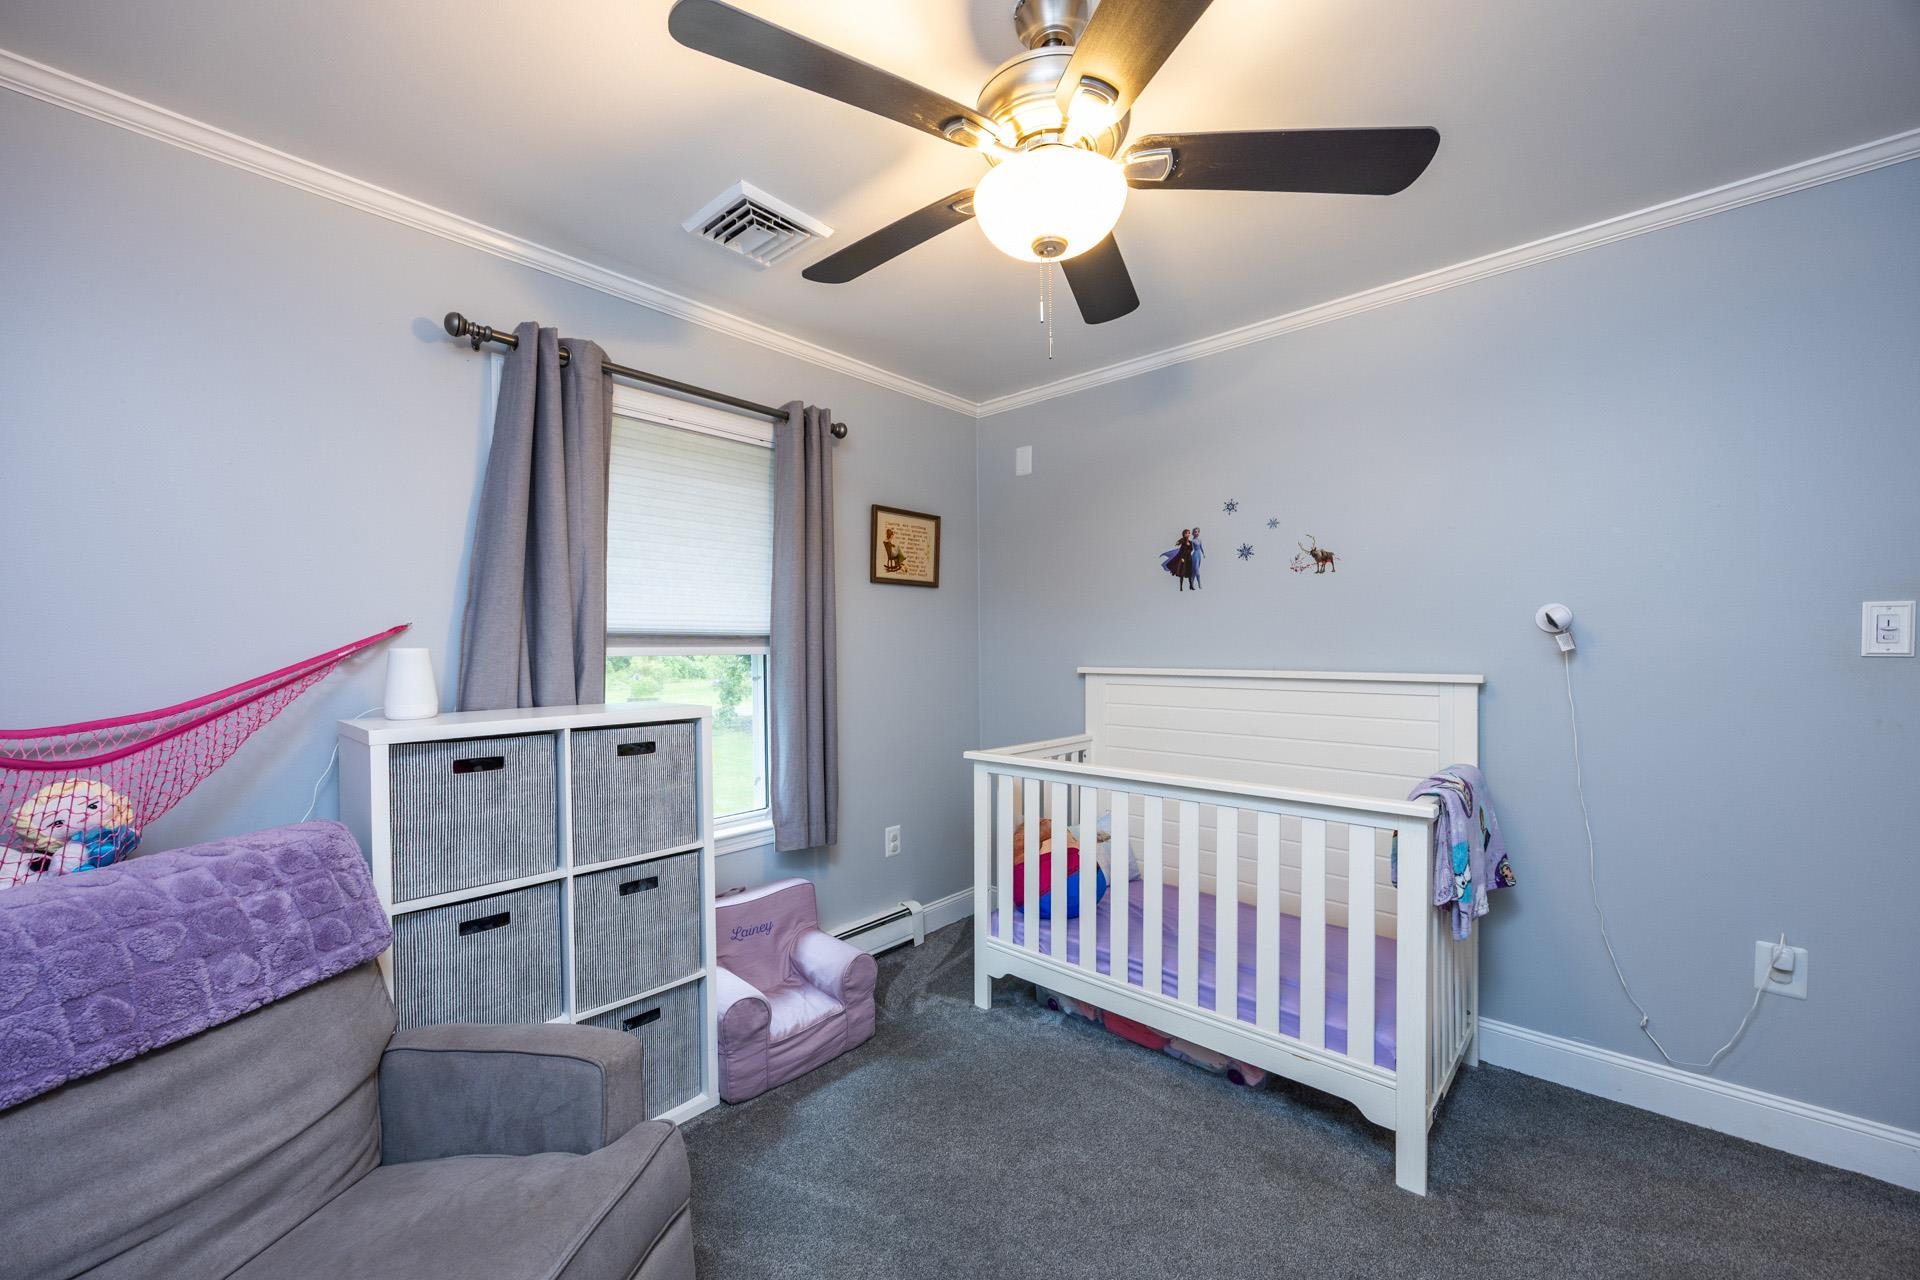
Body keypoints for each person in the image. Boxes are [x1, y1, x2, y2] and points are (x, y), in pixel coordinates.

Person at [1189, 525, 1205, 589]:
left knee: (1194, 571)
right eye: (1195, 532)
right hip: (1195, 555)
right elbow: (1191, 549)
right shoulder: (1192, 541)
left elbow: (1201, 547)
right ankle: (1199, 584)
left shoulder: (1200, 540)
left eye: (1198, 532)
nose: (1197, 533)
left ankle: (1191, 584)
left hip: (1199, 555)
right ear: (1193, 533)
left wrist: (1203, 553)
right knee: (1196, 571)